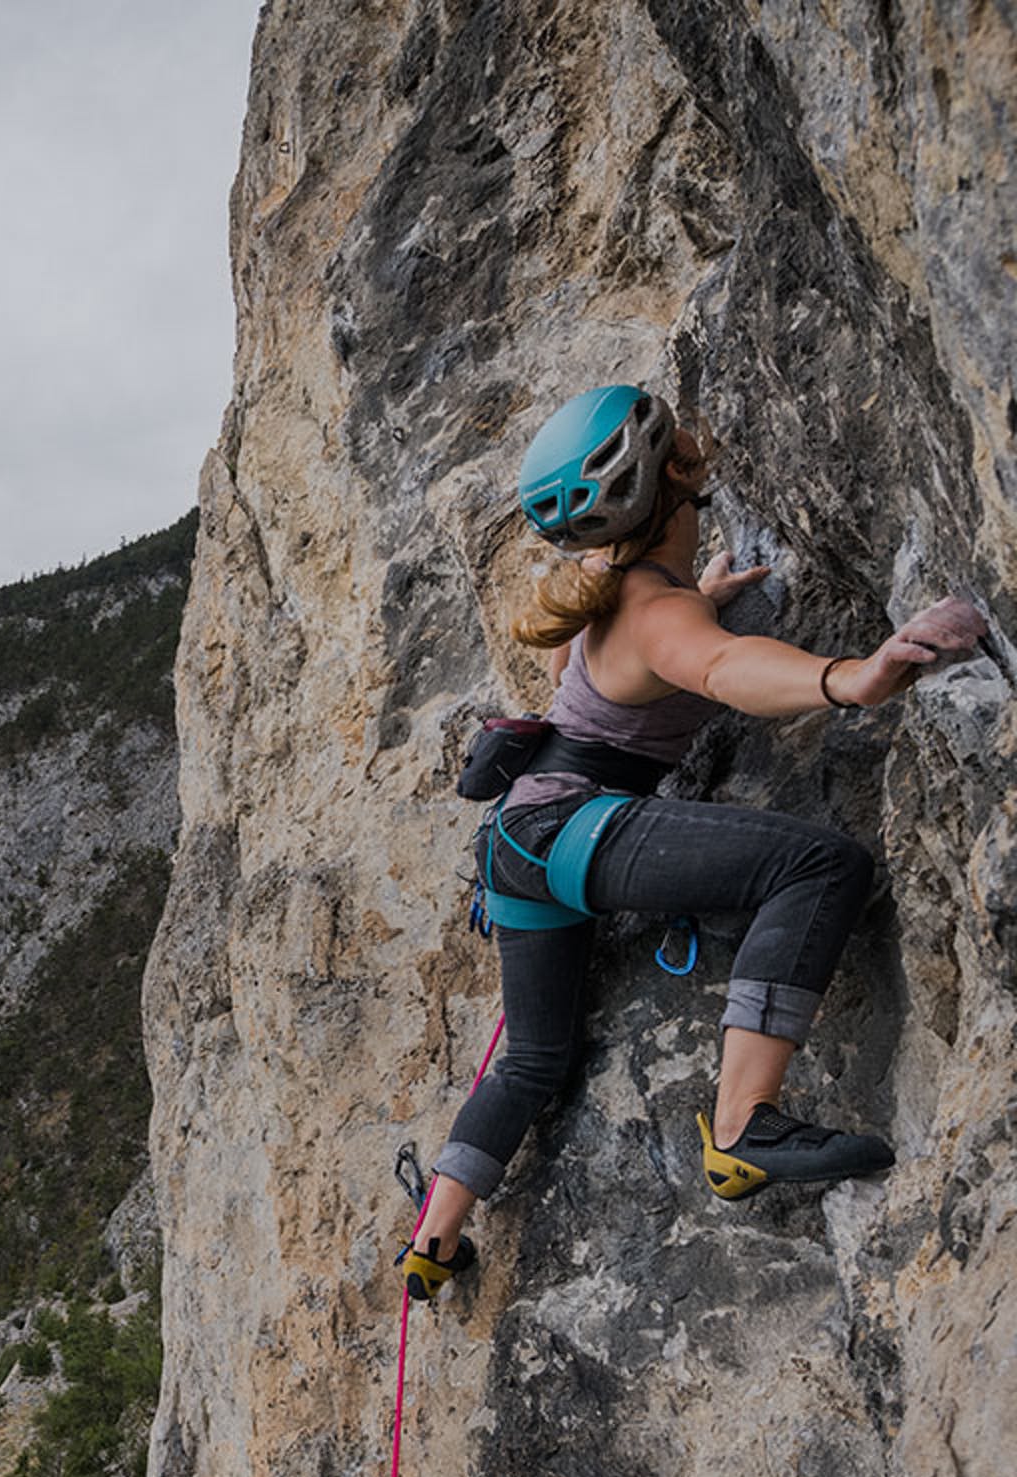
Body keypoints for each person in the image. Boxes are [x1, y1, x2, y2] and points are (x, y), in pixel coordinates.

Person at [400, 384, 987, 1303]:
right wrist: (855, 677)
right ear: (676, 472)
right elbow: (716, 666)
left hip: (517, 844)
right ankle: (744, 1125)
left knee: (531, 1060)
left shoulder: (621, 603)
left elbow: (639, 658)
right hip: (570, 827)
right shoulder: (652, 610)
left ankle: (434, 1239)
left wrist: (696, 601)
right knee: (819, 864)